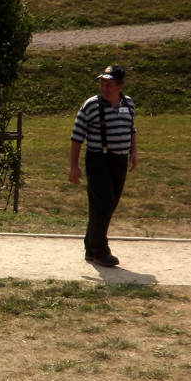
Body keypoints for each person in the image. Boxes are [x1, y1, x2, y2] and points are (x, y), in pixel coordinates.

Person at [69, 64, 139, 267]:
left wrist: (133, 152)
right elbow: (76, 138)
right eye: (102, 83)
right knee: (104, 203)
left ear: (120, 85)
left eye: (109, 84)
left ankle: (91, 247)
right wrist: (74, 167)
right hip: (99, 159)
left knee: (109, 204)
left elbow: (131, 129)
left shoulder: (128, 103)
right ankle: (100, 250)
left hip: (119, 161)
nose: (104, 88)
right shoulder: (91, 105)